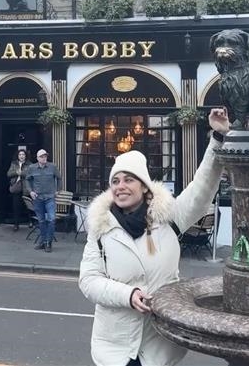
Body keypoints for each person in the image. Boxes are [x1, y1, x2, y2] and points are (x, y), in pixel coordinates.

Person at [79, 108, 230, 366]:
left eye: (128, 180)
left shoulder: (168, 217)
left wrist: (217, 137)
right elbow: (89, 281)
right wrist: (128, 294)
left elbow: (201, 189)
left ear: (144, 186)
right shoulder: (100, 228)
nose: (120, 186)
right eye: (115, 181)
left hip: (159, 344)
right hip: (115, 347)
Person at [24, 148, 61, 252]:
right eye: (42, 156)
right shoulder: (32, 168)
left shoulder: (52, 167)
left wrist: (58, 190)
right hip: (38, 198)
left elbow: (59, 178)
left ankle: (48, 242)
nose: (44, 158)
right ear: (37, 158)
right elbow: (27, 180)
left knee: (52, 219)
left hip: (50, 197)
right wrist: (30, 191)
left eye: (45, 156)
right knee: (41, 221)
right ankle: (43, 242)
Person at [6, 149, 29, 231]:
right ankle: (16, 224)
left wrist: (21, 173)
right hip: (16, 187)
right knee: (16, 206)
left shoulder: (30, 164)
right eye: (20, 155)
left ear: (25, 156)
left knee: (28, 205)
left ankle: (30, 221)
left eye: (23, 154)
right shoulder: (14, 163)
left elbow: (31, 174)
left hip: (26, 188)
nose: (21, 156)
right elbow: (8, 174)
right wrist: (16, 172)